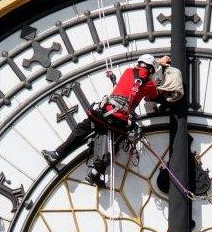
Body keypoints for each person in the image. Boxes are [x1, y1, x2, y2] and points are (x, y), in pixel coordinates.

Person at [41, 53, 174, 187]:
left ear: (139, 63)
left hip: (103, 113)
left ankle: (57, 153)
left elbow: (139, 76)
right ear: (151, 69)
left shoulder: (128, 72)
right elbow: (155, 95)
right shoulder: (149, 84)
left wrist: (157, 63)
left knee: (81, 129)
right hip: (119, 122)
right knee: (114, 143)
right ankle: (95, 173)